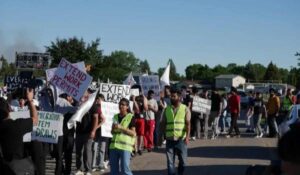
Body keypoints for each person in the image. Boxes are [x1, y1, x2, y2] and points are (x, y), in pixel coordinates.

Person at [0, 88, 38, 175]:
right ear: (9, 109)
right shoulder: (17, 125)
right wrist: (30, 100)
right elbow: (35, 119)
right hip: (16, 169)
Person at [159, 88, 191, 175]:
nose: (172, 98)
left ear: (179, 97)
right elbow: (163, 124)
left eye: (174, 96)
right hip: (169, 139)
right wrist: (161, 136)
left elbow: (188, 124)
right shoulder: (167, 109)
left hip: (181, 139)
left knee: (183, 162)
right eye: (171, 96)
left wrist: (187, 137)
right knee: (170, 162)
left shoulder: (185, 109)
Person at [74, 90, 99, 175]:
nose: (83, 94)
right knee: (78, 151)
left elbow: (96, 118)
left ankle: (88, 170)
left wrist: (93, 131)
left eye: (85, 92)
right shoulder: (78, 104)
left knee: (87, 151)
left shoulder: (92, 105)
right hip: (78, 131)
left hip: (88, 132)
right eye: (82, 92)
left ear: (89, 94)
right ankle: (79, 169)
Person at [109, 98, 136, 175]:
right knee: (113, 171)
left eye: (123, 105)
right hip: (113, 147)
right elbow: (112, 132)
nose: (121, 106)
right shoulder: (115, 116)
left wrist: (121, 128)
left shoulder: (131, 117)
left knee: (125, 170)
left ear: (127, 107)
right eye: (120, 104)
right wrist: (113, 129)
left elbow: (133, 133)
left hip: (125, 147)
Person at [91, 94, 108, 172]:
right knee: (94, 148)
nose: (98, 100)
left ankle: (100, 164)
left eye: (100, 99)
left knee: (102, 148)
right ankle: (93, 164)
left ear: (103, 100)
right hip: (97, 132)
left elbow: (105, 120)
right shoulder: (95, 108)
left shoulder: (107, 108)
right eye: (97, 99)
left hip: (104, 131)